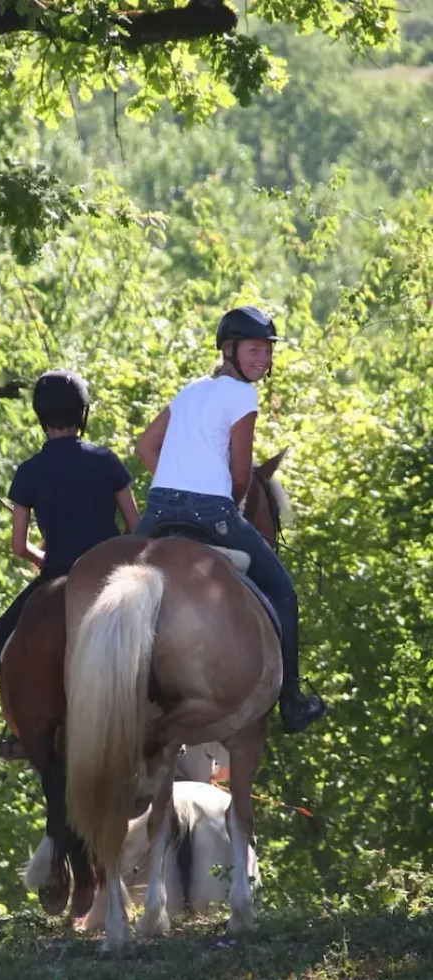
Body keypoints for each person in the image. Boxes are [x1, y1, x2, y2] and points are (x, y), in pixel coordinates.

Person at [134, 305, 327, 735]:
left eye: (267, 352)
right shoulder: (243, 396)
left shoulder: (190, 390)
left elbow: (145, 447)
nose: (263, 359)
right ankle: (292, 700)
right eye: (255, 350)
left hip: (159, 509)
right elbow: (241, 473)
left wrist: (178, 482)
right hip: (212, 515)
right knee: (282, 590)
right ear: (229, 349)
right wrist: (228, 503)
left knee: (110, 576)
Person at [0, 369, 140, 756]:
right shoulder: (107, 461)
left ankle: (23, 730)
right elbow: (135, 526)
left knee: (0, 637)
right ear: (83, 414)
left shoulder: (29, 472)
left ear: (41, 419)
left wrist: (45, 560)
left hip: (57, 574)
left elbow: (19, 545)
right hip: (109, 577)